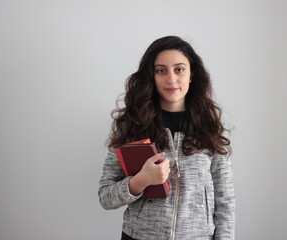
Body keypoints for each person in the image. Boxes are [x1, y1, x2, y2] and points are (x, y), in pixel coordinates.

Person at [98, 36, 235, 240]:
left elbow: (225, 203)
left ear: (191, 74)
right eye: (161, 70)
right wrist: (140, 181)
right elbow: (106, 197)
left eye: (179, 69)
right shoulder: (133, 125)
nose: (171, 79)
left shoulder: (210, 128)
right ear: (151, 76)